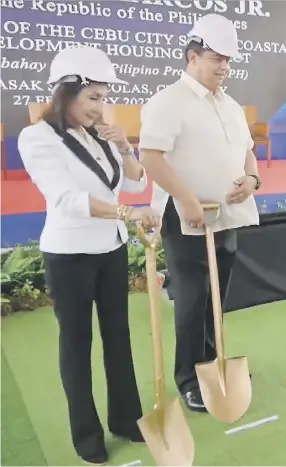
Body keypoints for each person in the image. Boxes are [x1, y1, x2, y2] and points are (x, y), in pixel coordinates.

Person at [17, 45, 160, 465]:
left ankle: (126, 419)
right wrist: (126, 212)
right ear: (66, 92)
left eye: (104, 98)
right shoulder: (37, 137)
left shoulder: (97, 135)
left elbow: (134, 184)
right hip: (70, 255)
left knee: (119, 337)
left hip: (110, 248)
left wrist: (125, 147)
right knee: (76, 346)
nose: (101, 108)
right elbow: (66, 198)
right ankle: (86, 433)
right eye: (94, 97)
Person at [138, 13, 261, 413]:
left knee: (215, 297)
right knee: (192, 298)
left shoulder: (232, 106)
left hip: (227, 215)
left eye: (228, 60)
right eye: (216, 58)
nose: (224, 67)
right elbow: (151, 157)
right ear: (193, 56)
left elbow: (247, 152)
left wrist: (252, 179)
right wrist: (186, 199)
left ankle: (212, 360)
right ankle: (189, 377)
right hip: (186, 217)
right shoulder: (168, 101)